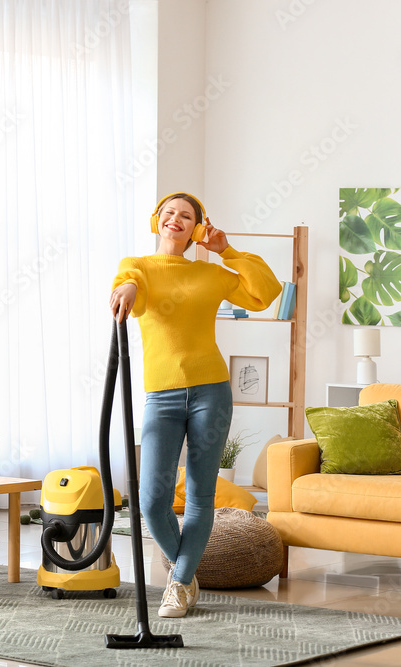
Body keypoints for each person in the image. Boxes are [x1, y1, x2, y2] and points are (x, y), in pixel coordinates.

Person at [109, 192, 281, 618]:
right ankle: (186, 574)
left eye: (186, 216)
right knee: (151, 500)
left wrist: (227, 250)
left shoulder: (210, 273)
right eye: (169, 213)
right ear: (156, 221)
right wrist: (127, 288)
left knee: (201, 497)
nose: (176, 219)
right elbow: (128, 280)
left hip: (211, 391)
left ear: (197, 228)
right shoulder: (141, 268)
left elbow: (266, 292)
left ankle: (180, 583)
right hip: (161, 397)